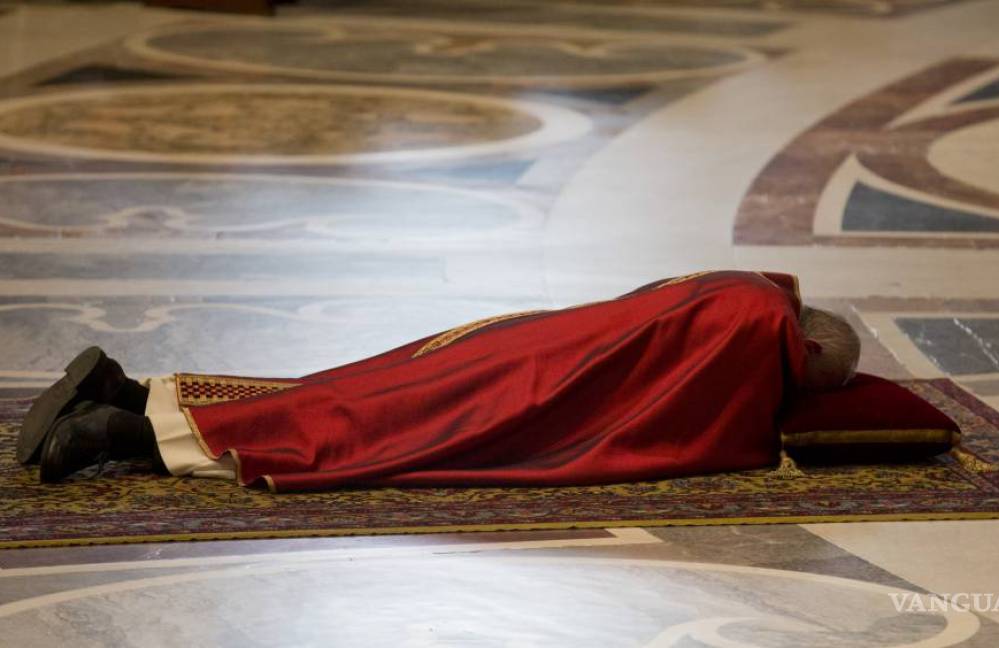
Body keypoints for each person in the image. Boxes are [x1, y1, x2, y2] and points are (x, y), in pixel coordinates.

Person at [19, 270, 860, 491]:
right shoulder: (760, 334)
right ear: (809, 356)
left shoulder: (749, 289)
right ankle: (110, 432)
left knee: (356, 389)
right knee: (368, 429)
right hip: (545, 389)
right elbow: (702, 431)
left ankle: (134, 397)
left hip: (531, 342)